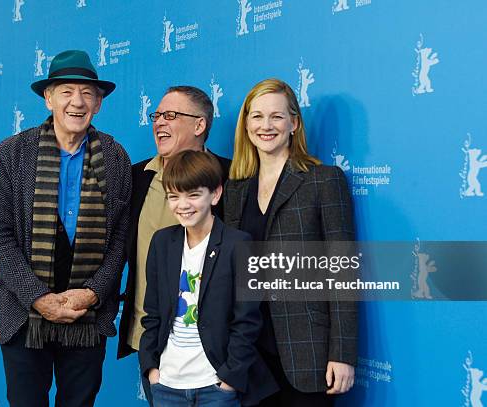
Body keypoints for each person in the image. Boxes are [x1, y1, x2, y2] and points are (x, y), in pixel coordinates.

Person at [0, 50, 131, 407]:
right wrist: (39, 298)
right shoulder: (12, 153)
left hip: (87, 316)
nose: (77, 102)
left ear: (99, 103)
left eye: (87, 93)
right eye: (66, 91)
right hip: (24, 312)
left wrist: (93, 293)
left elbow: (122, 239)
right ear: (48, 98)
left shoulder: (115, 157)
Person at [224, 78, 357, 406]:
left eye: (277, 116)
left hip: (306, 349)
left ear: (294, 123)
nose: (265, 126)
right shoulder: (235, 190)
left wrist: (342, 353)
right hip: (248, 354)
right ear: (246, 124)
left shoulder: (324, 180)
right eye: (256, 116)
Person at [117, 86, 231, 402]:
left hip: (212, 353)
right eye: (156, 115)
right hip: (151, 344)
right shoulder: (136, 177)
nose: (158, 123)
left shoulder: (232, 177)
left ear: (199, 125)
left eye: (171, 115)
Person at [139, 150, 277, 406]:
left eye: (193, 195)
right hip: (167, 384)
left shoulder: (239, 244)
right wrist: (151, 369)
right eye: (174, 196)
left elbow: (247, 322)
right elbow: (153, 313)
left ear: (215, 194)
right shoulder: (162, 242)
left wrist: (229, 379)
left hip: (216, 386)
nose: (183, 204)